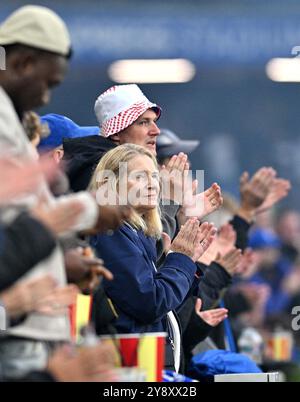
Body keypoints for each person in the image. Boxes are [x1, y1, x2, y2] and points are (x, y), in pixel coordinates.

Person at [0, 5, 129, 379]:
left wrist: (62, 265)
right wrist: (87, 211)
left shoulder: (14, 114)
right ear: (23, 62)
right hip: (14, 332)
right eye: (48, 84)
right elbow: (20, 222)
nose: (45, 98)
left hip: (28, 325)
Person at [89, 143, 217, 373]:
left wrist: (184, 264)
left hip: (144, 362)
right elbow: (151, 301)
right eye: (139, 176)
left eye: (155, 176)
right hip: (124, 366)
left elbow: (166, 302)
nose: (152, 184)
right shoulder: (111, 233)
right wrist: (179, 260)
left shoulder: (137, 234)